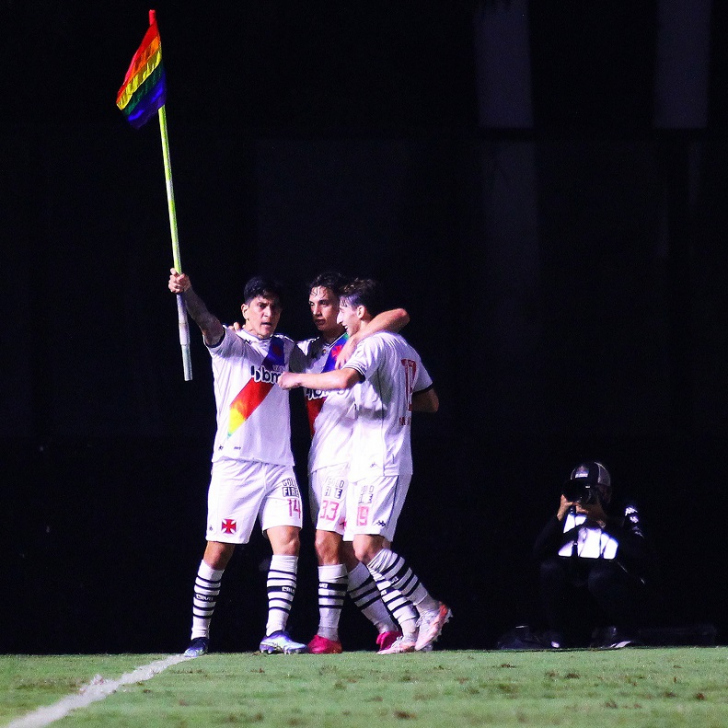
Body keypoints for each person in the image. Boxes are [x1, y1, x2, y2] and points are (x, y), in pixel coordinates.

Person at [279, 278, 451, 654]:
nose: (335, 316)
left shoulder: (371, 343)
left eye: (339, 307)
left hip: (379, 458)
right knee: (366, 549)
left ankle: (428, 608)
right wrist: (395, 398)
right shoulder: (402, 348)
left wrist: (297, 379)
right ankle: (406, 628)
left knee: (366, 547)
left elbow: (343, 379)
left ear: (358, 311)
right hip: (371, 458)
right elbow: (431, 402)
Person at [168, 269, 308, 657]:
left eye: (276, 307)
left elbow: (326, 355)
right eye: (261, 306)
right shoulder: (230, 343)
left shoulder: (286, 348)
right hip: (235, 466)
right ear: (245, 310)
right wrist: (188, 291)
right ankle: (199, 634)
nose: (269, 313)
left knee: (289, 541)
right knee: (218, 551)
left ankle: (275, 633)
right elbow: (204, 320)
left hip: (279, 467)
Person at [298, 272, 409, 654]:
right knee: (347, 552)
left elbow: (398, 314)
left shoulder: (359, 341)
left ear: (344, 309)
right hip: (320, 456)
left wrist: (358, 335)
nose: (317, 311)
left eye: (326, 303)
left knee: (328, 543)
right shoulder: (304, 351)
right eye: (311, 303)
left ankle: (328, 635)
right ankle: (391, 626)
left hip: (350, 457)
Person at [533, 461, 656, 649]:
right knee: (550, 568)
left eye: (592, 490)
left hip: (616, 590)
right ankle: (560, 636)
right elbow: (538, 553)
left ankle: (625, 633)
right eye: (578, 488)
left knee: (600, 576)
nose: (584, 495)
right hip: (581, 597)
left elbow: (641, 555)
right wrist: (559, 515)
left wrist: (604, 521)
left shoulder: (622, 508)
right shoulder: (568, 512)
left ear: (607, 492)